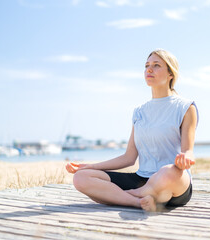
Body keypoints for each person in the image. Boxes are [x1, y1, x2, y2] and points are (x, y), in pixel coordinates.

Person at [65, 49, 199, 211]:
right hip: (141, 178)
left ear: (171, 73)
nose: (149, 69)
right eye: (147, 66)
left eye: (156, 65)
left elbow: (188, 151)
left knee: (167, 172)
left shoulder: (185, 107)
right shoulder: (139, 111)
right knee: (81, 178)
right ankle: (137, 202)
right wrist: (91, 167)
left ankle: (126, 195)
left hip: (174, 183)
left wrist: (186, 157)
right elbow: (129, 158)